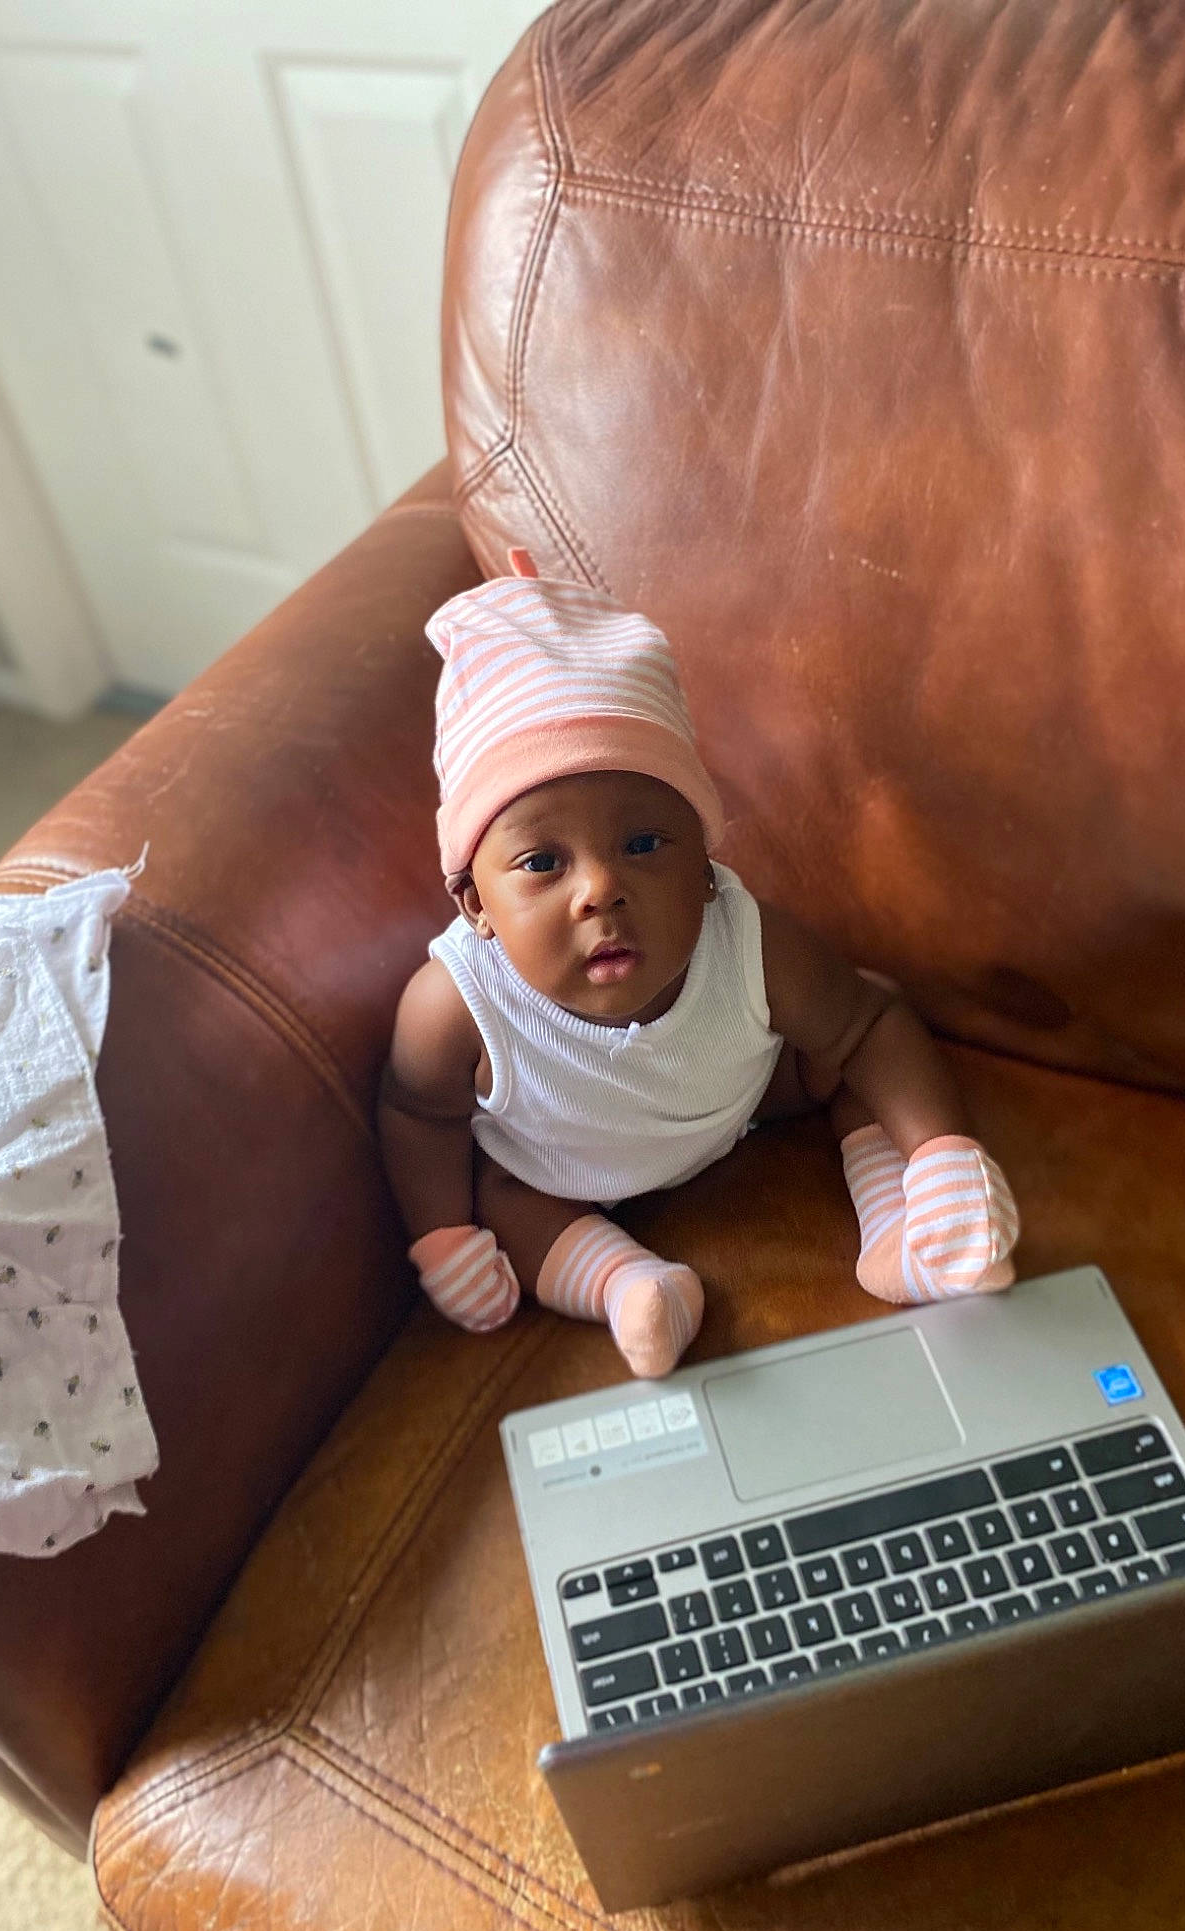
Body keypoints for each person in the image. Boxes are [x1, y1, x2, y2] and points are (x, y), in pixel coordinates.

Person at [378, 552, 1019, 1380]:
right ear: (474, 905)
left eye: (644, 845)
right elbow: (418, 1116)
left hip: (737, 1104)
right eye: (542, 863)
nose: (601, 890)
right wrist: (442, 1235)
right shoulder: (453, 1008)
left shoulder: (748, 944)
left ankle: (904, 1224)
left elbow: (868, 1024)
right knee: (506, 1200)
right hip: (561, 1169)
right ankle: (630, 1289)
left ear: (704, 866)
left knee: (856, 1032)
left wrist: (942, 1150)